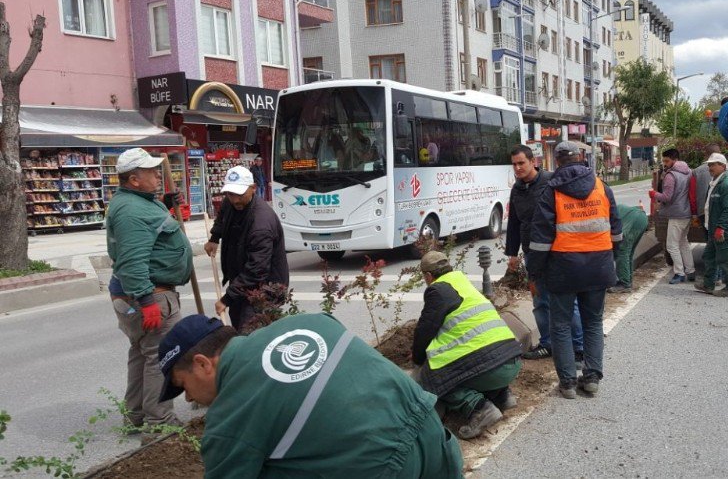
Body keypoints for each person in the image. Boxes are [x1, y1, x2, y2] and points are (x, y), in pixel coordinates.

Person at [158, 313, 463, 478]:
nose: (187, 399)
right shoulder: (308, 322)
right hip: (433, 435)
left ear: (202, 364)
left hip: (381, 466)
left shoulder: (228, 418)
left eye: (182, 386)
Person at [106, 147, 193, 430]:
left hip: (142, 293)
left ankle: (136, 417)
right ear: (133, 179)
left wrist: (166, 204)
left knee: (142, 354)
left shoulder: (137, 201)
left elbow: (150, 235)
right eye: (151, 171)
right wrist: (147, 301)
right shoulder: (131, 211)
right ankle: (160, 423)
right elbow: (132, 262)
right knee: (160, 357)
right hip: (151, 294)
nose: (158, 174)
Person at [528, 141, 622, 399]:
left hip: (563, 269)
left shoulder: (551, 191)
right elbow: (616, 230)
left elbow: (539, 240)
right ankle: (591, 378)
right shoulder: (602, 187)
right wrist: (612, 260)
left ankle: (568, 383)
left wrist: (534, 273)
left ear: (557, 161)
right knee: (593, 323)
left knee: (560, 325)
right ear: (580, 157)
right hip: (598, 266)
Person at [411, 251, 522, 439]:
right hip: (511, 361)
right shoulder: (462, 283)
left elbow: (426, 328)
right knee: (477, 362)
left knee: (434, 380)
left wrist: (417, 360)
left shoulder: (437, 290)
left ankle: (480, 409)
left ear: (428, 276)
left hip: (491, 369)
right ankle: (502, 396)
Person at [504, 145, 585, 363]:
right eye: (514, 164)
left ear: (533, 162)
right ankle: (547, 344)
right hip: (532, 254)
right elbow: (514, 223)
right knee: (540, 301)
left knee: (568, 300)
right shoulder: (517, 189)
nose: (518, 168)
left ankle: (579, 346)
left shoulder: (551, 182)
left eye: (521, 163)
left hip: (557, 252)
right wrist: (512, 253)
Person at [204, 166, 289, 332]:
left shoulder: (261, 223)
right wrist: (215, 237)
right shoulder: (231, 202)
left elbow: (257, 270)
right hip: (242, 284)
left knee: (249, 334)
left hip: (264, 289)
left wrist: (226, 299)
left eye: (239, 194)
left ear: (253, 189)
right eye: (230, 194)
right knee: (238, 324)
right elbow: (223, 216)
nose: (235, 200)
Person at [694, 153, 728, 298]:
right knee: (709, 256)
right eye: (709, 164)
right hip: (714, 228)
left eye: (713, 164)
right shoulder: (716, 182)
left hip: (723, 230)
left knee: (727, 258)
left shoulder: (726, 185)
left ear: (723, 166)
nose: (710, 167)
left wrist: (721, 228)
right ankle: (708, 284)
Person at [650, 148, 695, 284]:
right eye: (663, 160)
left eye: (667, 160)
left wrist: (653, 194)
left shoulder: (671, 175)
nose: (664, 163)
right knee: (683, 243)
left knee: (671, 245)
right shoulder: (688, 172)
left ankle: (679, 273)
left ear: (674, 160)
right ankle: (691, 271)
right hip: (686, 212)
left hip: (676, 214)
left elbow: (667, 197)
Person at [688, 144, 728, 230]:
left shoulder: (696, 172)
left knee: (710, 238)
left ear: (706, 155)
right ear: (721, 153)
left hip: (703, 211)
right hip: (725, 211)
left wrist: (695, 214)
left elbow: (692, 196)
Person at [609, 204, 649, 292]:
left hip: (633, 220)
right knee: (628, 253)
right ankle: (627, 280)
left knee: (622, 252)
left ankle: (624, 283)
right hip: (642, 218)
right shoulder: (606, 208)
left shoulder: (602, 216)